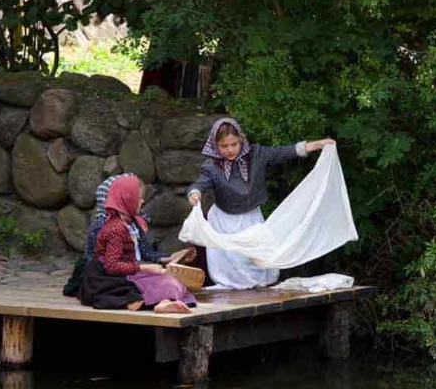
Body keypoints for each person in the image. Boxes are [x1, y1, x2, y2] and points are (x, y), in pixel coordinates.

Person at [187, 118, 335, 290]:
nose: (229, 150)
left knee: (254, 258)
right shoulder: (211, 167)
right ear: (215, 145)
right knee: (231, 260)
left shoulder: (257, 155)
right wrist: (195, 192)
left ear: (241, 140)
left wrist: (313, 145)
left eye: (233, 144)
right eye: (224, 146)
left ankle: (257, 287)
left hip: (250, 217)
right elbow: (200, 183)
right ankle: (234, 288)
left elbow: (281, 153)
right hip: (224, 220)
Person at [80, 176, 196, 314]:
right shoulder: (115, 228)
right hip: (110, 279)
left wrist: (170, 258)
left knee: (174, 282)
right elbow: (112, 265)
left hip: (129, 271)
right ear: (127, 198)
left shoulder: (132, 222)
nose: (142, 201)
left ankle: (164, 302)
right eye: (139, 197)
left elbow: (144, 252)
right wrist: (145, 268)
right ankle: (158, 302)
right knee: (166, 283)